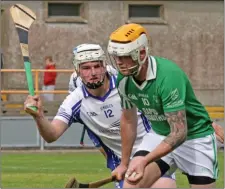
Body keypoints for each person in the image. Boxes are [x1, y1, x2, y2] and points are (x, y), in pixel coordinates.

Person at [24, 43, 176, 188]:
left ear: (105, 66)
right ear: (77, 70)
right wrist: (39, 116)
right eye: (86, 68)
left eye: (97, 66)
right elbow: (52, 134)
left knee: (164, 186)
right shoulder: (75, 101)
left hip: (152, 153)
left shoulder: (127, 83)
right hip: (121, 163)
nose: (93, 73)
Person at [107, 23, 224, 188]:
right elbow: (128, 120)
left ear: (141, 53)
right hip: (159, 134)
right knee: (132, 184)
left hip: (195, 137)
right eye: (116, 56)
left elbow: (179, 133)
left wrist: (145, 160)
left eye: (125, 56)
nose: (119, 62)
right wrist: (124, 163)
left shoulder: (169, 76)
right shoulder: (123, 80)